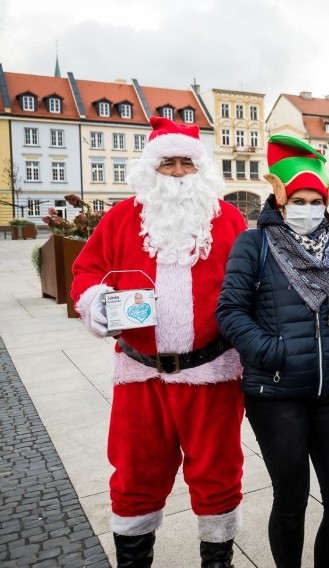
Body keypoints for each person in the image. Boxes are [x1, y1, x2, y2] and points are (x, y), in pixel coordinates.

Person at [70, 117, 247, 568]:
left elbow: (252, 284)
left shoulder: (228, 220)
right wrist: (96, 303)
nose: (175, 172)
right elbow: (87, 272)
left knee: (218, 472)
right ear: (151, 168)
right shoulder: (120, 218)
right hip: (140, 373)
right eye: (166, 162)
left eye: (185, 163)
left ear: (200, 168)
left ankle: (217, 559)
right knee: (135, 474)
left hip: (212, 374)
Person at [216, 135, 329, 567]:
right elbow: (229, 311)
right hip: (275, 393)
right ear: (280, 201)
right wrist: (272, 351)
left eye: (315, 200)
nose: (307, 208)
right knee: (291, 499)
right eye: (298, 199)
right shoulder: (255, 244)